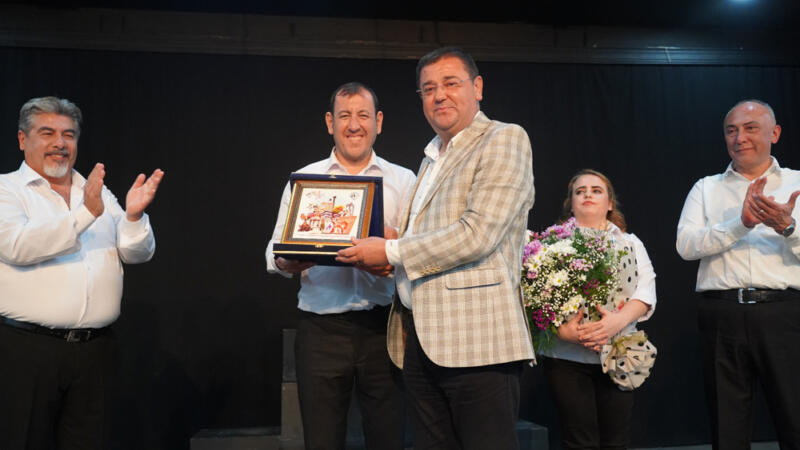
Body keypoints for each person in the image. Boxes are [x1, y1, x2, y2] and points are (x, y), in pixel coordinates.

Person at [336, 47, 535, 449]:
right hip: (421, 343)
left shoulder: (503, 138)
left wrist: (390, 252)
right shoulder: (430, 158)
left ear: (477, 88)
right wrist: (386, 246)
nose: (439, 95)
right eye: (428, 89)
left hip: (478, 344)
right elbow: (425, 238)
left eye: (450, 83)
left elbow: (477, 233)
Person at [0, 96, 164, 450]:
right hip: (27, 351)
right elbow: (16, 246)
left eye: (69, 134)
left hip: (94, 352)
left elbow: (136, 253)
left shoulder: (95, 191)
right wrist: (85, 213)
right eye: (47, 133)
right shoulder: (6, 189)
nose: (60, 143)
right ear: (22, 139)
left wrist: (133, 217)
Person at [265, 82, 416, 450]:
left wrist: (392, 248)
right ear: (330, 122)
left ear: (379, 121)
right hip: (321, 332)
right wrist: (288, 259)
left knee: (389, 439)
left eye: (363, 115)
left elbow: (418, 251)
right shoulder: (305, 179)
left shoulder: (404, 180)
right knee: (321, 440)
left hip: (385, 329)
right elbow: (274, 253)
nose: (354, 125)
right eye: (345, 116)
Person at [676, 99, 800, 449]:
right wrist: (740, 224)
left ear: (774, 133)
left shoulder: (797, 183)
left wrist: (789, 227)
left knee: (795, 418)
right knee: (726, 427)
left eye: (750, 128)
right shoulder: (706, 188)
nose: (739, 137)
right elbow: (686, 246)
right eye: (731, 130)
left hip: (785, 313)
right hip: (723, 313)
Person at [540, 169, 657, 450]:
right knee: (578, 442)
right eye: (580, 191)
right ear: (571, 203)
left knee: (616, 442)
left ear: (610, 203)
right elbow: (538, 298)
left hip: (619, 351)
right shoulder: (551, 243)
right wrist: (565, 332)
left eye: (596, 190)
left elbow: (646, 291)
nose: (587, 195)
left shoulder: (631, 243)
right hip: (566, 357)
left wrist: (613, 323)